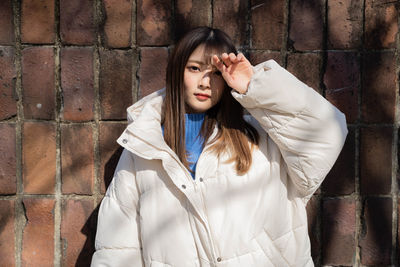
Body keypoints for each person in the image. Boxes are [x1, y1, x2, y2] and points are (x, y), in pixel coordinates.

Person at [91, 27, 347, 267]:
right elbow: (118, 248)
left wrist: (255, 86)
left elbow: (328, 131)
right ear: (176, 72)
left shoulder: (262, 139)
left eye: (215, 73)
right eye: (194, 68)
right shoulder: (144, 147)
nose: (205, 82)